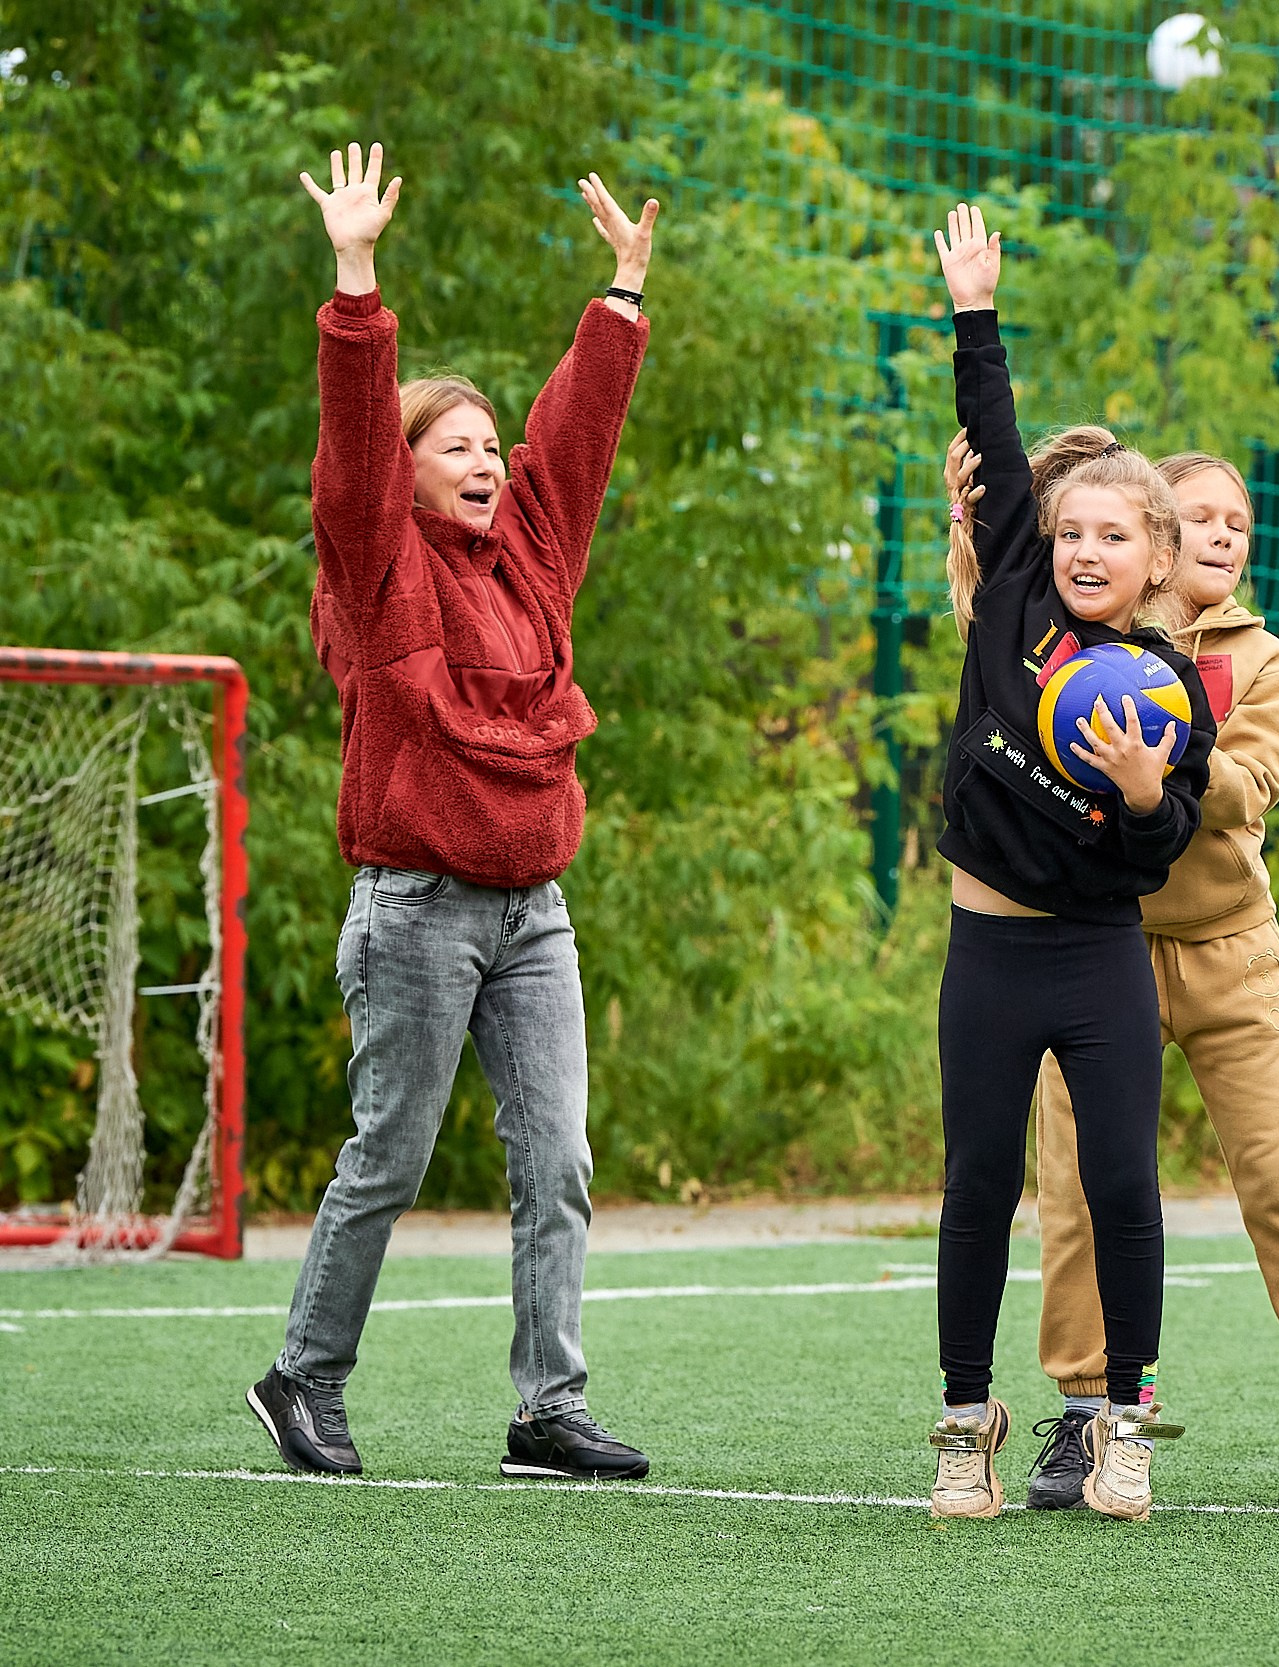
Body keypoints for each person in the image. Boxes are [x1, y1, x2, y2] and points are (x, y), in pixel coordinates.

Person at [247, 144, 659, 1483]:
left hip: (534, 909)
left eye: (494, 442)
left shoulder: (534, 548)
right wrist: (355, 279)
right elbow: (352, 448)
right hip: (416, 909)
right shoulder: (379, 572)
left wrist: (621, 294)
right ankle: (303, 1377)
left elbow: (580, 434)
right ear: (411, 471)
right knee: (391, 1157)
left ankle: (549, 1404)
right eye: (458, 445)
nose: (487, 458)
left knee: (561, 1165)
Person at [1005, 447, 1279, 1511]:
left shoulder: (1263, 658)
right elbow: (990, 598)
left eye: (1241, 524)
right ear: (1157, 535)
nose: (1225, 535)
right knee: (1077, 1188)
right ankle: (1086, 1411)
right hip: (1094, 947)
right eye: (1203, 516)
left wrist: (1154, 753)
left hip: (1229, 949)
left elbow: (1247, 788)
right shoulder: (1076, 634)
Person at [928, 203, 1214, 1523]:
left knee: (1119, 1188)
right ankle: (963, 1421)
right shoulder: (1010, 604)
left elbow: (1160, 850)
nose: (1089, 549)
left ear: (1160, 560)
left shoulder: (1167, 689)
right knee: (979, 1182)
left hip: (1097, 956)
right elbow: (993, 444)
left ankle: (1124, 1419)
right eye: (1072, 532)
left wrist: (1151, 795)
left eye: (1117, 536)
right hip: (989, 945)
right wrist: (974, 317)